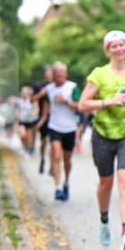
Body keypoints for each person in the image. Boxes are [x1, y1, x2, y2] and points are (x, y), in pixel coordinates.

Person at [77, 31, 125, 250]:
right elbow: (82, 104)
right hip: (103, 134)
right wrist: (108, 101)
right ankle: (104, 219)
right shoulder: (99, 74)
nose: (119, 49)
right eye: (114, 46)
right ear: (107, 50)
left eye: (122, 45)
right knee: (105, 183)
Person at [43, 62, 80, 201]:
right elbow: (41, 101)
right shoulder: (49, 88)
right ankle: (58, 187)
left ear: (66, 74)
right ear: (53, 75)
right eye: (57, 74)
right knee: (56, 155)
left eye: (62, 73)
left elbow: (79, 106)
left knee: (67, 160)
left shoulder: (73, 87)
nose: (59, 76)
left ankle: (66, 183)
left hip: (69, 128)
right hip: (54, 127)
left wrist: (65, 101)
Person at [32, 65, 54, 174]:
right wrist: (41, 93)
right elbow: (32, 99)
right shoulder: (39, 86)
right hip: (43, 117)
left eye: (51, 73)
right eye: (47, 73)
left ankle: (52, 165)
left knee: (54, 143)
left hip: (55, 118)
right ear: (44, 74)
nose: (49, 75)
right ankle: (42, 160)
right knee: (44, 141)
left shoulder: (57, 85)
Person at [17, 86, 40, 155]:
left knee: (29, 137)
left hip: (30, 121)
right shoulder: (19, 101)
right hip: (22, 121)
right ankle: (24, 146)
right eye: (22, 92)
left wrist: (31, 113)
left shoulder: (32, 100)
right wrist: (17, 116)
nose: (24, 94)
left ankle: (28, 149)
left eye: (25, 92)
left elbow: (36, 109)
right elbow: (17, 111)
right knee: (22, 135)